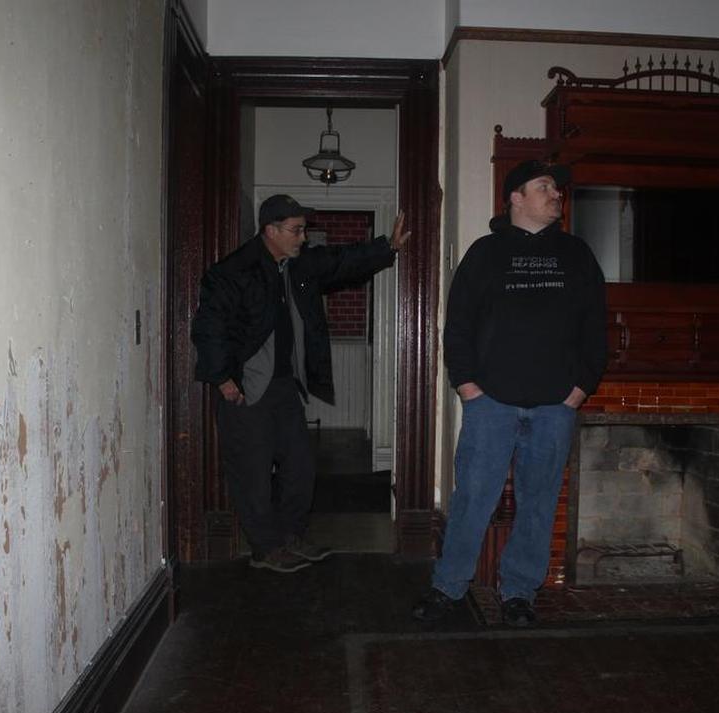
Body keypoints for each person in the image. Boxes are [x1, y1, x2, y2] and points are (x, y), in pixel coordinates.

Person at [412, 159, 607, 626]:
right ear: (515, 197)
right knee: (472, 500)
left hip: (554, 407)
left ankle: (519, 593)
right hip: (491, 405)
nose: (555, 193)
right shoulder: (484, 253)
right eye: (544, 187)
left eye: (556, 188)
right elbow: (456, 327)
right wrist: (468, 386)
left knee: (538, 504)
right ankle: (448, 588)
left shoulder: (577, 254)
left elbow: (595, 329)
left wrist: (579, 390)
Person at [192, 194, 409, 573]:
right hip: (245, 388)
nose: (303, 237)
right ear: (270, 230)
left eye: (303, 229)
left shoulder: (297, 265)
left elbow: (341, 261)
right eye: (296, 230)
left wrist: (385, 247)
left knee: (301, 466)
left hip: (283, 387)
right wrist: (223, 378)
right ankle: (265, 547)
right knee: (253, 472)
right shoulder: (233, 271)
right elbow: (209, 329)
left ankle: (291, 536)